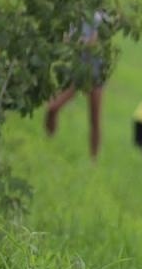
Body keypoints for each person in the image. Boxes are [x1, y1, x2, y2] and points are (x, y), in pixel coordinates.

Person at [44, 11, 108, 160]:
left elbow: (93, 42)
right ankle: (49, 141)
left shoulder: (98, 19)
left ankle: (94, 160)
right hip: (76, 73)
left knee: (95, 118)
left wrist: (74, 42)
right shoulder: (73, 15)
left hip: (95, 73)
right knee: (52, 108)